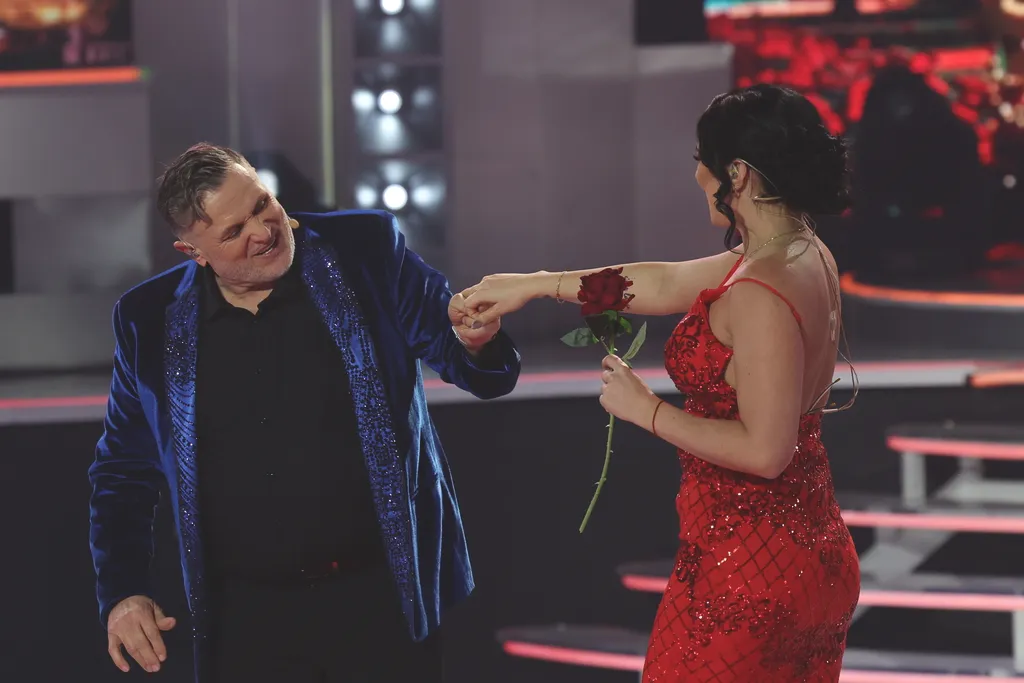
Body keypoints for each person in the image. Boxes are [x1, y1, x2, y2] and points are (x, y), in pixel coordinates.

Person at [454, 84, 861, 682]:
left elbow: (766, 452)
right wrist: (536, 284)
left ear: (737, 173)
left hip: (751, 573)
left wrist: (644, 409)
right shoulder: (799, 251)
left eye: (702, 159)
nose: (697, 175)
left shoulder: (760, 289)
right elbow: (664, 282)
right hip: (800, 553)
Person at [88, 143, 522, 683]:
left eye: (261, 204)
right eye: (233, 231)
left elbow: (476, 368)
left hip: (381, 599)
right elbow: (123, 471)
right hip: (245, 620)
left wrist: (477, 343)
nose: (262, 231)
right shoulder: (148, 319)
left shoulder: (365, 250)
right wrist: (124, 591)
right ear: (192, 251)